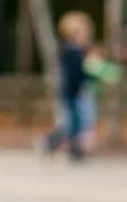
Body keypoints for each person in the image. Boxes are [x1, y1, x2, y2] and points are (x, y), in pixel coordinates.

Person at [39, 11, 93, 161]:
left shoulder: (77, 52)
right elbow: (75, 74)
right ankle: (52, 143)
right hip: (71, 92)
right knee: (71, 123)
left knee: (76, 122)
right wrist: (87, 77)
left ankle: (72, 149)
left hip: (75, 92)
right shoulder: (71, 52)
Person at [79, 43, 122, 151]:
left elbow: (112, 72)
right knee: (88, 116)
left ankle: (85, 140)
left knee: (90, 116)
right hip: (86, 94)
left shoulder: (93, 63)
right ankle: (84, 140)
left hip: (90, 94)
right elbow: (107, 73)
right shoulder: (91, 63)